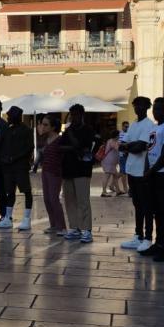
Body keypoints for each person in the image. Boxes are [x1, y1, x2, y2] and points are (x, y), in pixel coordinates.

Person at [140, 97, 164, 261]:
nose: (156, 112)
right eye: (154, 109)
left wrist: (152, 170)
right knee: (156, 211)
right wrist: (146, 170)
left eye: (159, 109)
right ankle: (159, 242)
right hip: (153, 174)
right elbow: (150, 151)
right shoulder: (155, 128)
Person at [120, 96, 155, 251]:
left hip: (142, 171)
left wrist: (129, 146)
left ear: (147, 107)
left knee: (146, 204)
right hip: (131, 169)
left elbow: (141, 146)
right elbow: (122, 145)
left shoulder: (149, 125)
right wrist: (129, 146)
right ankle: (138, 234)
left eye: (141, 105)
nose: (137, 108)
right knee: (136, 204)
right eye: (135, 105)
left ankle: (148, 237)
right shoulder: (133, 125)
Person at [58, 103, 95, 243]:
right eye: (72, 115)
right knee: (69, 200)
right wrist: (71, 148)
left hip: (82, 170)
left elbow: (81, 146)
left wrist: (72, 144)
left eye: (76, 115)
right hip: (68, 169)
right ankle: (74, 227)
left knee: (83, 201)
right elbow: (60, 147)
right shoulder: (67, 131)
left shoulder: (88, 130)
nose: (74, 117)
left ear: (82, 115)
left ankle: (86, 230)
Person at [0, 105, 34, 231]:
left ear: (16, 117)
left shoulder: (26, 130)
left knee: (26, 191)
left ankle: (27, 219)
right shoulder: (8, 130)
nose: (8, 118)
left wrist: (15, 158)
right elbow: (1, 144)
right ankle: (8, 218)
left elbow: (29, 148)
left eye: (10, 116)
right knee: (9, 192)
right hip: (8, 167)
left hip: (20, 166)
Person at [35, 115, 67, 235]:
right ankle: (53, 225)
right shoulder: (44, 138)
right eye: (42, 124)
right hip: (45, 171)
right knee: (47, 199)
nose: (43, 126)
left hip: (55, 172)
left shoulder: (59, 140)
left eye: (45, 124)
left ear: (53, 127)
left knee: (54, 199)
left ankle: (62, 227)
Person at [99, 128, 122, 197]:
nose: (119, 136)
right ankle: (103, 192)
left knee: (115, 175)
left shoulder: (113, 141)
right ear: (116, 135)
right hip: (108, 162)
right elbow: (118, 148)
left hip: (111, 163)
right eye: (119, 135)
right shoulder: (112, 141)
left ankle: (118, 190)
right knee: (107, 176)